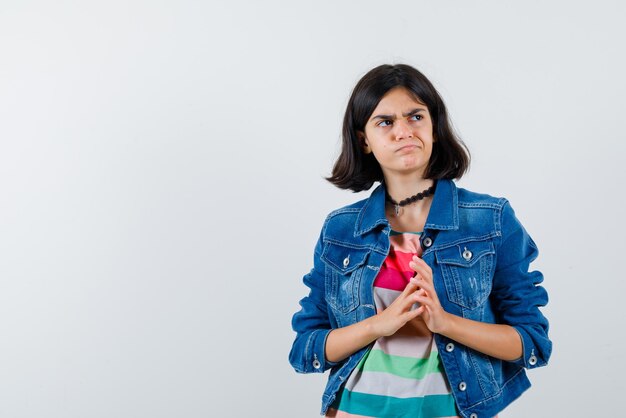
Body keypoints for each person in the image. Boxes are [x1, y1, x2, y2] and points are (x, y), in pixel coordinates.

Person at [288, 64, 551, 418]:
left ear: (435, 127)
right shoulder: (341, 229)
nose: (403, 132)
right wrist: (378, 325)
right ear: (364, 139)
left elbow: (532, 342)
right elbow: (305, 349)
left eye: (415, 116)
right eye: (385, 122)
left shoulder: (490, 220)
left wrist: (444, 323)